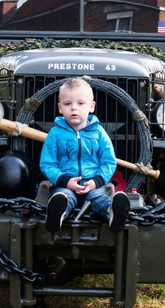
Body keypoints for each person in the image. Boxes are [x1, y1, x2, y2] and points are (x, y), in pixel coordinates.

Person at [39, 78, 130, 233]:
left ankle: (113, 213)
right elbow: (47, 163)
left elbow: (108, 162)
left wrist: (96, 181)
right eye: (68, 104)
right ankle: (56, 216)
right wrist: (66, 181)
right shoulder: (55, 134)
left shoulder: (99, 133)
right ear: (60, 108)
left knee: (99, 199)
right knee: (64, 198)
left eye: (80, 103)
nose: (74, 108)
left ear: (91, 106)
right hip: (65, 184)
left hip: (92, 185)